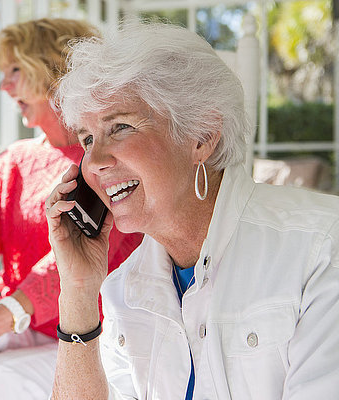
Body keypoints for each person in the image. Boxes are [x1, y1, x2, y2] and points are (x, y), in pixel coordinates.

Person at [46, 20, 339, 399]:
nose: (95, 161)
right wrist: (79, 293)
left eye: (119, 127)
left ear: (201, 136)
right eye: (87, 139)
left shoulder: (320, 249)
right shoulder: (123, 290)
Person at [0, 18, 143, 400]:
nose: (4, 86)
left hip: (93, 328)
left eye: (15, 71)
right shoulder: (16, 158)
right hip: (23, 321)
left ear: (54, 70)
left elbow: (77, 255)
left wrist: (4, 316)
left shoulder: (101, 158)